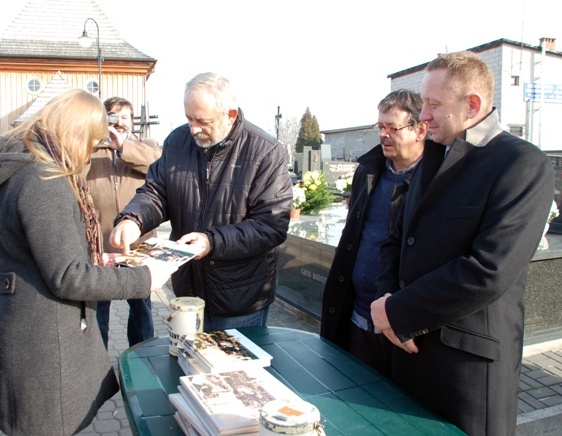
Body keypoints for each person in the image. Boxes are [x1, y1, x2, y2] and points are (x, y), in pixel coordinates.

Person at [0, 88, 175, 434]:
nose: (88, 156)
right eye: (92, 143)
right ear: (75, 133)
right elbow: (68, 276)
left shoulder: (25, 168)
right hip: (44, 341)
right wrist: (145, 279)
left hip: (31, 328)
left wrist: (98, 259)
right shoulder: (43, 179)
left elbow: (46, 255)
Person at [371, 51, 554, 435]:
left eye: (434, 105)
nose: (425, 116)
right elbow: (397, 239)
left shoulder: (522, 164)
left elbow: (489, 270)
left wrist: (399, 313)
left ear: (472, 104)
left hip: (464, 369)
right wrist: (388, 308)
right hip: (406, 350)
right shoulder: (432, 157)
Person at [110, 72, 293, 331]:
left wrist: (211, 242)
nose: (193, 129)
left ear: (230, 115)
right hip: (189, 290)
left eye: (202, 121)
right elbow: (157, 191)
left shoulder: (266, 152)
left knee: (230, 371)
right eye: (188, 118)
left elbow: (270, 226)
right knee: (187, 365)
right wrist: (133, 218)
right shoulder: (177, 141)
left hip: (238, 298)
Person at [320, 89, 429, 376]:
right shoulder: (368, 172)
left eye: (393, 127)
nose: (383, 134)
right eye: (380, 126)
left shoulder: (434, 181)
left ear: (420, 130)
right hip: (357, 319)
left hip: (401, 328)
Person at [87, 97, 162, 349]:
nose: (119, 122)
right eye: (112, 116)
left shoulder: (144, 147)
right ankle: (97, 359)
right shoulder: (91, 150)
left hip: (138, 243)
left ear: (132, 121)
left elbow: (160, 166)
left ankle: (142, 355)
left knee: (141, 304)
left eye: (125, 117)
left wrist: (124, 147)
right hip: (100, 244)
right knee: (98, 306)